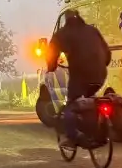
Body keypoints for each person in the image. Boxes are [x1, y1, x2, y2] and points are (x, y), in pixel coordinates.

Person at [47, 10, 111, 147]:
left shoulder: (63, 34)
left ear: (67, 20)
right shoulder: (92, 30)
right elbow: (107, 52)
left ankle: (73, 137)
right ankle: (95, 132)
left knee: (71, 105)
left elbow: (51, 51)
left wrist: (51, 66)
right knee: (90, 100)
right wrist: (101, 65)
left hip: (80, 75)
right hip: (100, 74)